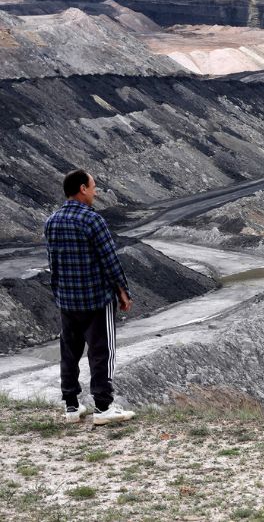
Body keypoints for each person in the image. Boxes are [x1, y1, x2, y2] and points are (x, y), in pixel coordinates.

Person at [44, 169, 136, 425]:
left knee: (69, 352)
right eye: (93, 187)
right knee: (101, 352)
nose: (95, 192)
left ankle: (72, 407)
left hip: (67, 300)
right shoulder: (92, 220)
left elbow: (54, 263)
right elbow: (110, 260)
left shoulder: (51, 221)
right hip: (96, 299)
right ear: (83, 188)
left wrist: (58, 293)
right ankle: (104, 407)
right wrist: (123, 292)